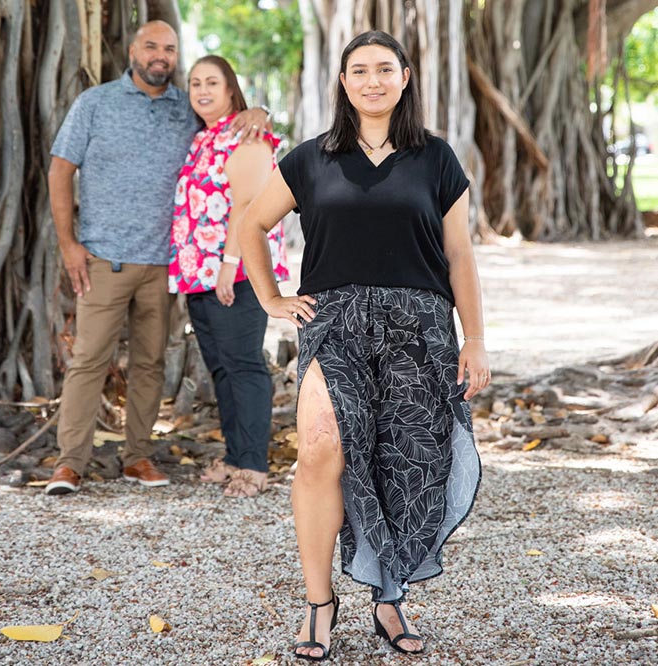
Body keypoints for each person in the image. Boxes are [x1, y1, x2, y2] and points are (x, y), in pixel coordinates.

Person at [239, 30, 489, 661]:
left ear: (405, 78)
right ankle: (319, 604)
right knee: (322, 445)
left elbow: (459, 253)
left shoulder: (436, 158)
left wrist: (476, 339)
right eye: (359, 70)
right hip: (337, 322)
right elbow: (251, 224)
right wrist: (271, 299)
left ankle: (387, 596)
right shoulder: (309, 159)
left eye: (385, 69)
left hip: (419, 327)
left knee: (405, 460)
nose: (372, 80)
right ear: (343, 82)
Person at [45, 21, 270, 496]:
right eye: (151, 46)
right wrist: (69, 244)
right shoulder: (96, 103)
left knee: (150, 364)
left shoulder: (184, 109)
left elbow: (237, 133)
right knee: (89, 360)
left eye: (170, 48)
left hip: (167, 266)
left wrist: (260, 112)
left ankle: (138, 457)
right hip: (105, 258)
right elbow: (60, 169)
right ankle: (70, 464)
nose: (160, 55)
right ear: (132, 50)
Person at [169, 56, 289, 498]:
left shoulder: (247, 133)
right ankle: (236, 455)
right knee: (221, 367)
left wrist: (228, 265)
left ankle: (255, 467)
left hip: (235, 271)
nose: (202, 90)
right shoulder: (202, 137)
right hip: (197, 274)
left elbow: (247, 205)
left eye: (212, 82)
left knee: (244, 365)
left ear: (230, 88)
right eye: (195, 82)